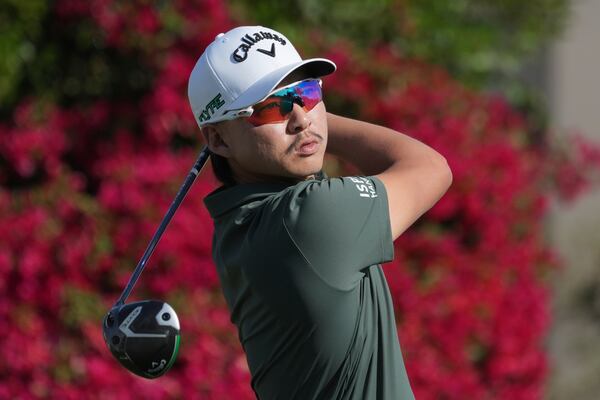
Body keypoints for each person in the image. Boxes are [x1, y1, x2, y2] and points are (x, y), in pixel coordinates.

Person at [188, 25, 452, 400]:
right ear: (217, 139)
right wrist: (317, 127)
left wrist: (305, 124)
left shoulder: (236, 224)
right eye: (269, 108)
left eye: (308, 92)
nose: (300, 117)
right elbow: (431, 167)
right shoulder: (308, 218)